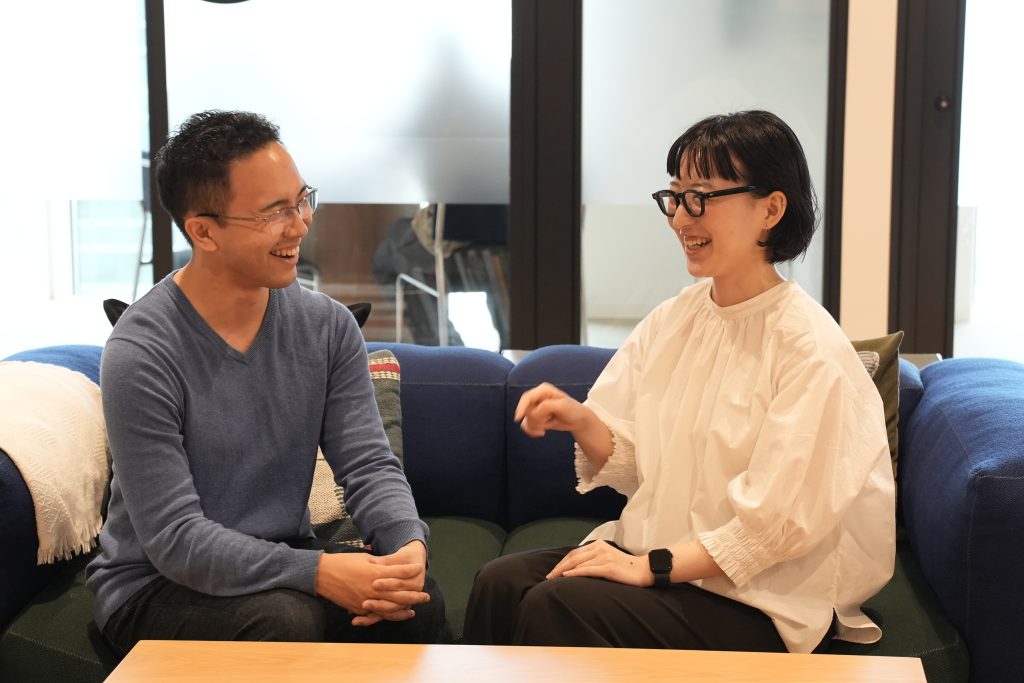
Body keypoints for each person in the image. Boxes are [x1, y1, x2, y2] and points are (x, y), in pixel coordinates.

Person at [463, 110, 895, 654]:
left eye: (702, 197)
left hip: (758, 597)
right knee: (500, 584)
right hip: (663, 560)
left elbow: (775, 528)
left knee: (556, 605)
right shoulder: (676, 318)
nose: (680, 219)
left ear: (771, 209)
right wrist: (581, 420)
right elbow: (637, 466)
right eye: (675, 196)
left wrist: (650, 567)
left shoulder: (810, 347)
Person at [86, 110, 446, 656]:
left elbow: (369, 465)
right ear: (203, 230)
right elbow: (175, 539)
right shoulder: (141, 351)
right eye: (275, 213)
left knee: (418, 605)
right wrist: (319, 573)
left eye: (302, 200)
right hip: (155, 583)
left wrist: (405, 545)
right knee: (284, 621)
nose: (300, 225)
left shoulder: (328, 327)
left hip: (281, 562)